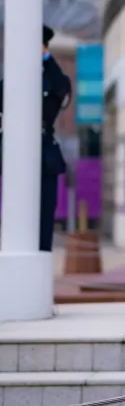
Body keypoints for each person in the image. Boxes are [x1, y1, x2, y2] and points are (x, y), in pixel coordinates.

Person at [0, 24, 71, 251]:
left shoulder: (54, 79)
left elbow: (59, 90)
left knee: (43, 219)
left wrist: (46, 59)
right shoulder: (10, 81)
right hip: (13, 155)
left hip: (43, 155)